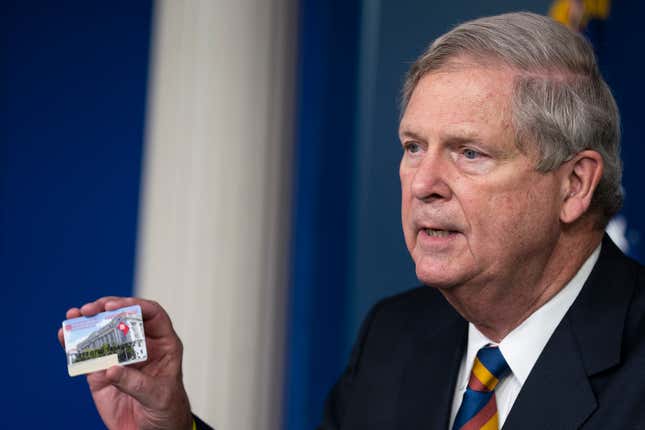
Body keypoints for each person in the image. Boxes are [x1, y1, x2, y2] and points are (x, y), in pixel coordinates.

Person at [59, 12, 645, 430]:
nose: (422, 183)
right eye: (413, 146)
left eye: (470, 153)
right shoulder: (395, 337)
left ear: (573, 185)